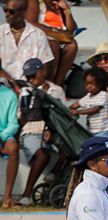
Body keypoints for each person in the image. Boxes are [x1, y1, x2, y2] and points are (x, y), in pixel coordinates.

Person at [15, 57, 65, 207]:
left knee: (71, 148)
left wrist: (50, 129)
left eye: (33, 75)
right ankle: (26, 194)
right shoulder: (25, 91)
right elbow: (22, 117)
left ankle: (53, 175)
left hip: (53, 131)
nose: (31, 79)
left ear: (43, 72)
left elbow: (62, 114)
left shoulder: (56, 90)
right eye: (28, 77)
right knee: (43, 154)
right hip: (31, 130)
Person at [0, 0, 54, 89]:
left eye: (11, 11)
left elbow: (44, 69)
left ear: (23, 12)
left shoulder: (38, 35)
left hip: (30, 85)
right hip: (4, 85)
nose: (7, 14)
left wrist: (30, 86)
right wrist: (12, 82)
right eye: (6, 10)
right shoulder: (0, 32)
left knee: (55, 91)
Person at [24, 0, 78, 85]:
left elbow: (72, 30)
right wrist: (55, 32)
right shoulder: (35, 2)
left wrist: (67, 10)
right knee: (52, 44)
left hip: (58, 38)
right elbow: (30, 23)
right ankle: (49, 83)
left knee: (72, 45)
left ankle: (58, 85)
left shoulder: (58, 4)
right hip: (39, 38)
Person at [70, 67, 108, 137]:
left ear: (101, 83)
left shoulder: (102, 94)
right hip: (91, 130)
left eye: (92, 83)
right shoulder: (88, 96)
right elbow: (76, 104)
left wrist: (78, 112)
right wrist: (67, 109)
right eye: (87, 84)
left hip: (102, 131)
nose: (89, 86)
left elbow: (95, 109)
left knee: (100, 147)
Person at [0, 81, 20, 208]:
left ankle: (7, 198)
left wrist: (2, 135)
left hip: (3, 134)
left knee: (13, 148)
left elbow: (13, 123)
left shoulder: (10, 95)